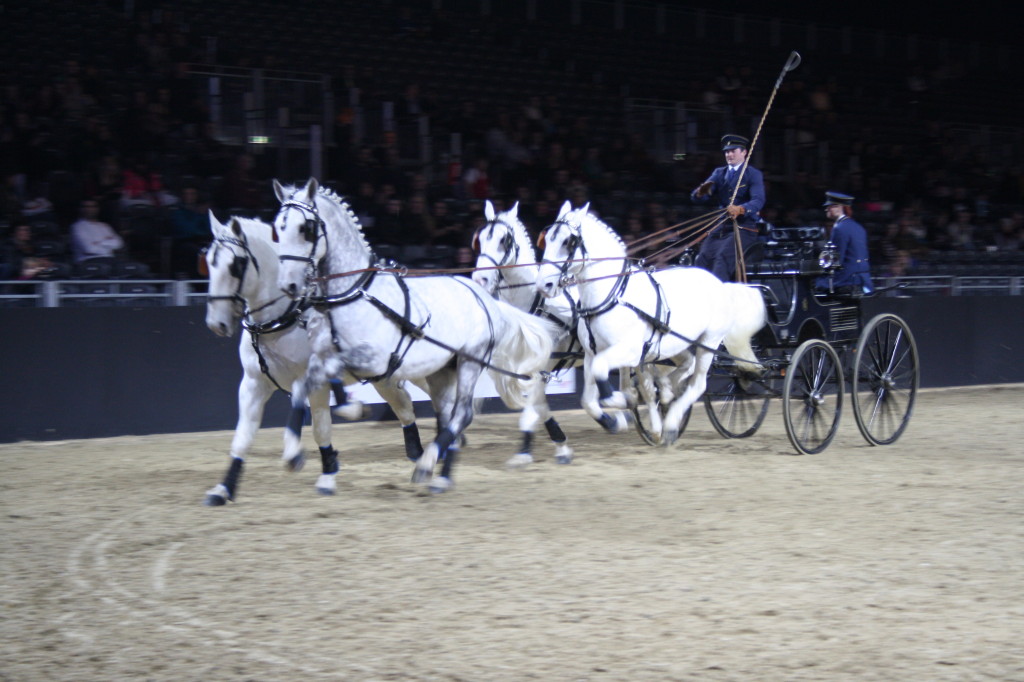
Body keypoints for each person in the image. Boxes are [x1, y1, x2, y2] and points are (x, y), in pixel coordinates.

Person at [690, 133, 766, 281]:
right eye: (727, 151)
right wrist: (700, 192)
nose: (729, 154)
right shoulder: (719, 173)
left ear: (744, 152)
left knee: (722, 259)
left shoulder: (753, 174)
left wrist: (741, 209)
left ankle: (718, 297)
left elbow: (758, 200)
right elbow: (704, 193)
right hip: (722, 226)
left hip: (744, 227)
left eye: (733, 151)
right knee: (702, 258)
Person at [815, 191, 874, 295]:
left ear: (840, 208)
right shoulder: (858, 227)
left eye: (830, 206)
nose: (826, 209)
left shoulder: (840, 228)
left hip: (847, 279)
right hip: (862, 278)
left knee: (815, 284)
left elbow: (836, 260)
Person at [70, 198, 124, 263]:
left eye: (92, 207)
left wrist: (99, 243)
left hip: (109, 259)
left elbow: (119, 243)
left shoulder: (105, 226)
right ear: (80, 209)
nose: (89, 209)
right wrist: (108, 245)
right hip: (87, 261)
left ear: (97, 209)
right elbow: (89, 249)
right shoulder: (77, 227)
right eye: (86, 207)